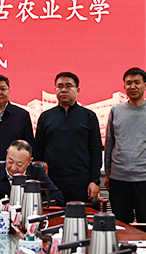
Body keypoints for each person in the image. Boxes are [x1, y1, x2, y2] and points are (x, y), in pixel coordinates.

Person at [104, 68, 146, 224]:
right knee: (121, 227)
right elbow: (110, 144)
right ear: (124, 86)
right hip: (118, 179)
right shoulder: (116, 110)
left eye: (137, 82)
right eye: (129, 83)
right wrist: (108, 175)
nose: (132, 86)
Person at [33, 72, 102, 203]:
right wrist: (40, 179)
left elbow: (95, 150)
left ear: (77, 90)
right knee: (51, 214)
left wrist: (95, 180)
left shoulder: (89, 116)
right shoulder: (46, 117)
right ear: (55, 90)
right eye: (60, 86)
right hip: (51, 180)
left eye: (69, 86)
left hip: (81, 180)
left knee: (80, 215)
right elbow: (39, 150)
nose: (64, 90)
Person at [0, 140, 64, 207]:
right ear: (7, 154)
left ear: (29, 162)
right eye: (10, 161)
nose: (13, 168)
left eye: (19, 164)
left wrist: (32, 202)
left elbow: (58, 197)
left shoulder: (38, 173)